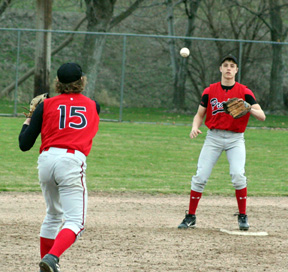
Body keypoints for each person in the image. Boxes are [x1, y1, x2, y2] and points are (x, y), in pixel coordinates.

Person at [19, 63, 100, 272]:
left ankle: (46, 265)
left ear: (58, 83)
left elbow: (24, 144)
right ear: (82, 81)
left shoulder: (46, 106)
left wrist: (31, 115)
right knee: (76, 222)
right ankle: (53, 257)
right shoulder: (94, 105)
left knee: (53, 214)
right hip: (71, 161)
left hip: (46, 160)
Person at [178, 54, 266, 231]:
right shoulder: (210, 91)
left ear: (236, 70)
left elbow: (262, 116)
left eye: (232, 66)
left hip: (235, 139)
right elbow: (199, 114)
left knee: (238, 175)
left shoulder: (245, 92)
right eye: (225, 65)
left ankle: (243, 216)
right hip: (214, 137)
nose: (228, 68)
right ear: (220, 68)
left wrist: (248, 107)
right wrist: (195, 127)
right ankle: (191, 216)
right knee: (200, 176)